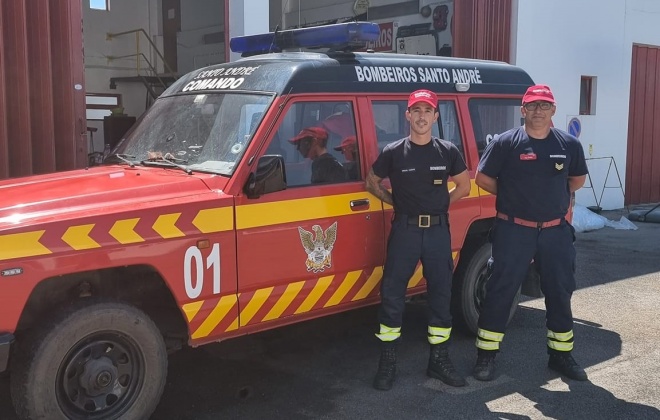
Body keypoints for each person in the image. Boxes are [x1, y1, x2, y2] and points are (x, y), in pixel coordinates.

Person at [472, 84, 589, 382]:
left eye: (544, 105)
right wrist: (512, 194)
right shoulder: (506, 142)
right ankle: (486, 357)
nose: (538, 110)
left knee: (560, 292)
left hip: (555, 231)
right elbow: (482, 178)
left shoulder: (569, 144)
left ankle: (561, 356)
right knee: (500, 291)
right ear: (523, 110)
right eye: (533, 105)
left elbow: (576, 180)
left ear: (553, 110)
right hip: (513, 229)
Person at [365, 89, 471, 390]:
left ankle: (438, 361)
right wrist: (393, 200)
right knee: (393, 293)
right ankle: (387, 362)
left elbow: (463, 185)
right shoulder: (394, 152)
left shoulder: (447, 151)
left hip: (437, 231)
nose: (422, 116)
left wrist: (439, 206)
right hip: (405, 231)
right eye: (417, 111)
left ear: (436, 117)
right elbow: (370, 182)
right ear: (407, 115)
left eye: (428, 111)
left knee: (441, 292)